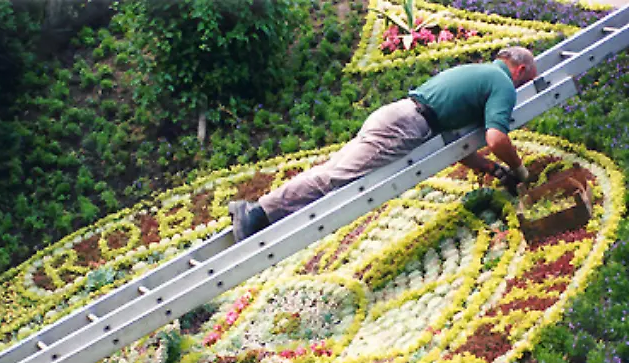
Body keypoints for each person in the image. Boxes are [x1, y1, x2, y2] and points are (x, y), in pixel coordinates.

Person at [228, 46, 538, 242]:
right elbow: (496, 138)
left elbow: (452, 143)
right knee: (335, 177)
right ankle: (256, 213)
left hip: (399, 116)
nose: (519, 89)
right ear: (520, 70)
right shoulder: (501, 83)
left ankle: (259, 212)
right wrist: (519, 170)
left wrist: (488, 167)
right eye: (525, 82)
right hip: (405, 126)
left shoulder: (478, 74)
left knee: (334, 171)